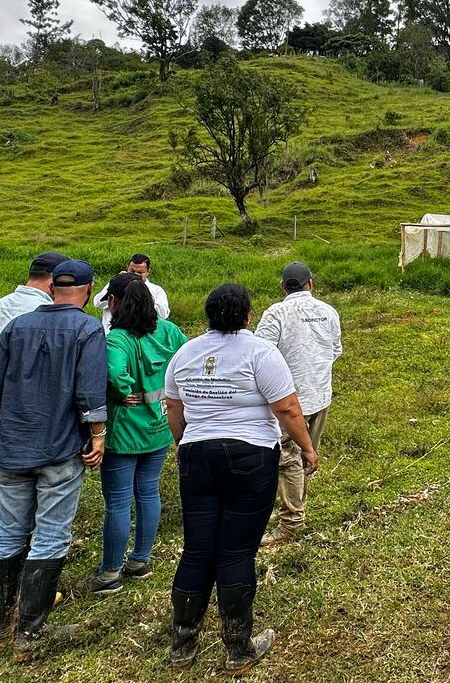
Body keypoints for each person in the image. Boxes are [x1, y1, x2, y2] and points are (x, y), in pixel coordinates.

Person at [163, 283, 319, 673]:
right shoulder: (260, 352)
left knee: (197, 549)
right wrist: (306, 448)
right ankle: (237, 649)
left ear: (208, 315)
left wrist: (184, 442)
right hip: (249, 456)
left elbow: (174, 406)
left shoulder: (185, 353)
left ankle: (183, 643)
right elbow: (286, 407)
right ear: (247, 315)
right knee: (236, 551)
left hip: (197, 456)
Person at [0, 259, 108, 662]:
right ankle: (30, 632)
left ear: (53, 288)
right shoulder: (87, 328)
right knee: (50, 532)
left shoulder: (18, 326)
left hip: (12, 444)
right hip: (60, 445)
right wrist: (98, 435)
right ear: (86, 290)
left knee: (9, 531)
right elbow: (89, 390)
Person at [0, 250, 68, 601]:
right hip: (36, 416)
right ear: (53, 282)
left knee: (4, 489)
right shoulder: (38, 316)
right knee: (25, 493)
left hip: (4, 414)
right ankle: (17, 581)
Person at [84, 272, 188, 596]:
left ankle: (110, 572)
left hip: (124, 431)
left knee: (117, 501)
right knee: (148, 492)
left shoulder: (118, 339)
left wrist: (123, 391)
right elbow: (187, 359)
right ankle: (140, 559)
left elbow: (114, 373)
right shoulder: (169, 331)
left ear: (113, 303)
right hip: (159, 428)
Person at [255, 261, 342, 548]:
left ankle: (291, 520)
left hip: (288, 400)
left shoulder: (276, 313)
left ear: (282, 285)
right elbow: (336, 350)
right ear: (310, 284)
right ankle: (292, 507)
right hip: (320, 395)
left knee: (288, 458)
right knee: (307, 454)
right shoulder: (328, 311)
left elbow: (260, 355)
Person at [94, 252, 169, 331]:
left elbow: (163, 315)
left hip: (140, 337)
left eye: (140, 273)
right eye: (132, 272)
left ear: (148, 271)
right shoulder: (116, 284)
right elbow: (98, 303)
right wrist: (115, 283)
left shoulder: (157, 291)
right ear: (127, 268)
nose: (135, 275)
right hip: (111, 334)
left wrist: (143, 297)